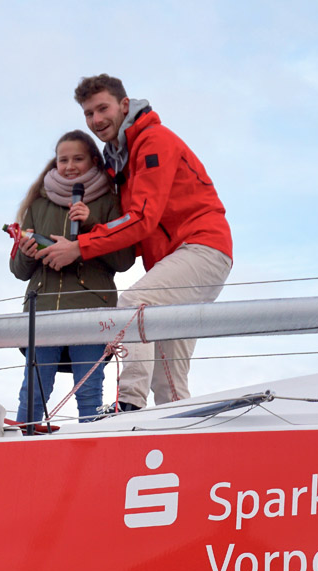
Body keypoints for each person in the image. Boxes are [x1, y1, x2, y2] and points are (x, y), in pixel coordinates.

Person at [40, 74, 232, 411]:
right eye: (88, 114)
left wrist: (79, 247)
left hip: (201, 249)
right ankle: (174, 435)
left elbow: (143, 217)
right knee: (168, 379)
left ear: (124, 105)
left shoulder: (154, 141)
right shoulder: (121, 160)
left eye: (102, 108)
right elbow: (130, 224)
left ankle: (127, 403)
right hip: (177, 261)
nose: (96, 120)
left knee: (134, 303)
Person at [11, 130, 135, 425]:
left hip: (91, 311)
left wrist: (92, 224)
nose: (69, 165)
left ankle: (91, 450)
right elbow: (18, 271)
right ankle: (21, 447)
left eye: (77, 158)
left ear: (93, 160)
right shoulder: (37, 205)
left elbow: (124, 260)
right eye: (62, 159)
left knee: (89, 390)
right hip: (42, 312)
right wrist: (27, 252)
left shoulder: (108, 202)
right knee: (34, 390)